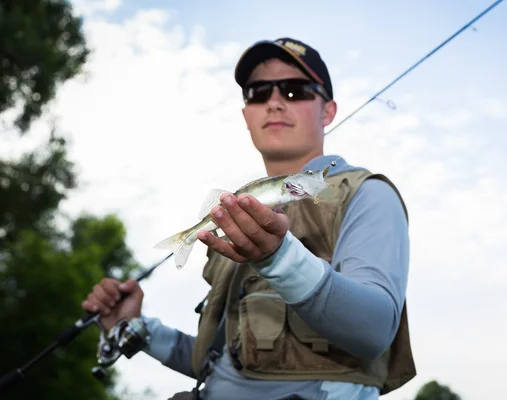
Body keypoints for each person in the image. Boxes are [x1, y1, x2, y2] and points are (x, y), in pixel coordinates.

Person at [82, 37, 416, 400]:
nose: (274, 102)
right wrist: (137, 329)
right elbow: (219, 361)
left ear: (328, 111)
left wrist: (280, 259)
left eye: (295, 90)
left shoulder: (367, 194)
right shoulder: (241, 213)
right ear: (246, 115)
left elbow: (375, 331)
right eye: (258, 92)